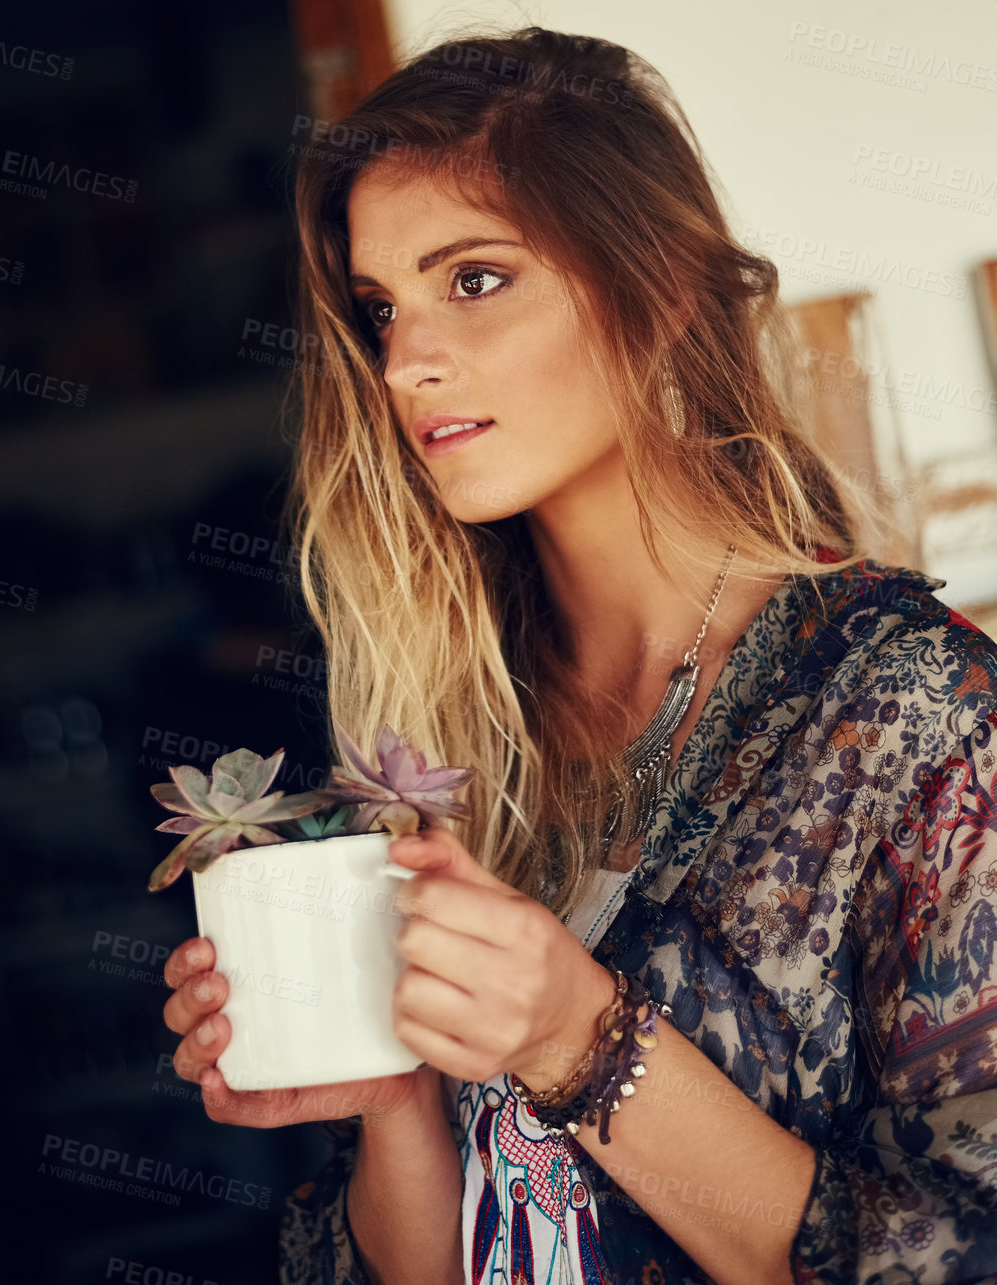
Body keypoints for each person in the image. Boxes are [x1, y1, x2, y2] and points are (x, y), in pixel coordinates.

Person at [159, 24, 997, 1285]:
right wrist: (394, 1102)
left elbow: (959, 1254)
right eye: (380, 308)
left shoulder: (912, 717)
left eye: (476, 280)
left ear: (658, 284)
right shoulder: (448, 741)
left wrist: (579, 1035)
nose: (407, 360)